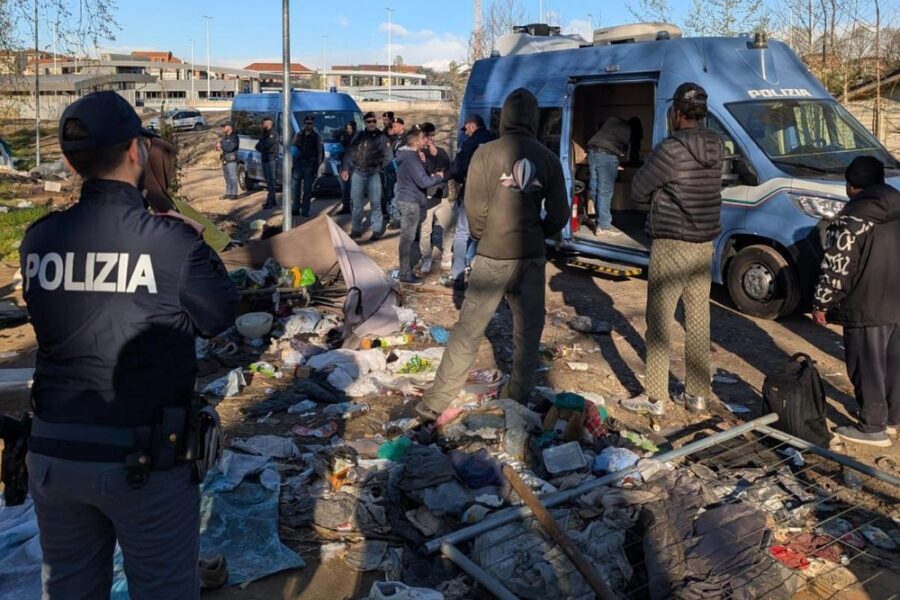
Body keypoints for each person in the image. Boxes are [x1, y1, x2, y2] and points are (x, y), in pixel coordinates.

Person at [19, 91, 238, 599]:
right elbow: (220, 315)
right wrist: (195, 240)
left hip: (53, 455)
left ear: (74, 163)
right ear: (136, 151)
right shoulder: (169, 241)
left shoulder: (40, 241)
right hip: (142, 463)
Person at [415, 88, 568, 421]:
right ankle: (516, 398)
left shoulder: (485, 153)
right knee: (527, 333)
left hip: (492, 256)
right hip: (530, 257)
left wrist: (486, 236)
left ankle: (436, 402)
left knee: (468, 329)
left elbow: (475, 207)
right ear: (534, 118)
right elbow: (559, 214)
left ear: (506, 117)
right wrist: (538, 233)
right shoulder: (547, 158)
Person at [621, 82, 724, 417]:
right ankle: (696, 395)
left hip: (671, 243)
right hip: (704, 243)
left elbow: (637, 190)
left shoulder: (671, 149)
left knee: (659, 320)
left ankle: (654, 397)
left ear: (677, 113)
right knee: (698, 317)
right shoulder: (716, 145)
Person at [812, 156, 900, 447]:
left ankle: (873, 426)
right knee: (892, 364)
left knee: (867, 364)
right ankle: (890, 419)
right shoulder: (897, 205)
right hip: (896, 299)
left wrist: (822, 303)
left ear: (851, 186)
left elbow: (838, 265)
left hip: (865, 302)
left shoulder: (853, 216)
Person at [440, 113, 496, 288]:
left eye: (467, 129)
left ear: (471, 126)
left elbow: (458, 169)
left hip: (472, 193)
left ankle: (457, 276)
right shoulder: (497, 141)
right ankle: (476, 269)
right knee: (484, 233)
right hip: (494, 194)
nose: (466, 133)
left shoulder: (469, 143)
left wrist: (455, 178)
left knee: (462, 233)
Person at [394, 127, 444, 285]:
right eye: (424, 138)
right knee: (407, 239)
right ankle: (405, 273)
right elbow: (423, 181)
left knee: (406, 238)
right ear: (416, 141)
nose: (426, 141)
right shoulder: (411, 158)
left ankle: (404, 271)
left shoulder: (406, 156)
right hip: (410, 202)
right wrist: (438, 177)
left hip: (406, 198)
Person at [341, 111, 393, 240]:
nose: (372, 124)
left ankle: (376, 230)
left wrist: (379, 167)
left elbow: (388, 156)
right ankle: (356, 229)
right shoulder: (359, 135)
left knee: (375, 203)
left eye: (374, 121)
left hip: (373, 173)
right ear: (365, 122)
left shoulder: (381, 137)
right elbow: (349, 153)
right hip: (358, 173)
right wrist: (345, 169)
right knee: (356, 203)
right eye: (369, 121)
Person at [586, 116, 632, 235]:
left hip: (592, 151)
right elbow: (622, 147)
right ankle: (604, 226)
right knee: (605, 191)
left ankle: (599, 223)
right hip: (606, 155)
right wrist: (616, 162)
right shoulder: (627, 129)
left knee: (595, 188)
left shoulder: (613, 121)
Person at [418, 121, 452, 273]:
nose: (430, 139)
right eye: (427, 136)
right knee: (426, 231)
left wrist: (435, 152)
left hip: (442, 197)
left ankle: (447, 257)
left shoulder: (441, 152)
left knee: (450, 227)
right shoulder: (418, 153)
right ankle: (426, 258)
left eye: (432, 136)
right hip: (427, 198)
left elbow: (447, 166)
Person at [291, 115, 324, 217]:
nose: (307, 125)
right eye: (306, 123)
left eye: (310, 123)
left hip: (310, 166)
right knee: (295, 189)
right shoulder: (298, 135)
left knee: (307, 190)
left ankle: (305, 210)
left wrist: (317, 167)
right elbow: (293, 149)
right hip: (298, 165)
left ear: (313, 124)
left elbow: (320, 153)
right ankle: (295, 209)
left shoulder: (316, 137)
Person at [383, 117, 406, 228]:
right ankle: (394, 217)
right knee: (392, 195)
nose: (394, 128)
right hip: (392, 172)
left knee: (397, 196)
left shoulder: (407, 139)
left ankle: (396, 219)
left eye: (396, 126)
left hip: (401, 173)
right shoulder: (394, 140)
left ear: (402, 126)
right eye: (392, 126)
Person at [255, 117, 279, 209]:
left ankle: (270, 201)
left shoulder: (273, 134)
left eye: (263, 123)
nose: (262, 125)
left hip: (271, 159)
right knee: (268, 181)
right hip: (265, 158)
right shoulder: (264, 134)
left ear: (268, 124)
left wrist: (262, 146)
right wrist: (262, 146)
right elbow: (257, 146)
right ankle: (272, 201)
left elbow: (266, 144)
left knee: (271, 181)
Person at [337, 121, 357, 214]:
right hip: (344, 164)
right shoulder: (343, 135)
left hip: (354, 164)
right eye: (347, 128)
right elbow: (335, 135)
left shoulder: (358, 136)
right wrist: (342, 130)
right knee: (344, 187)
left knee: (353, 187)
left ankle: (353, 207)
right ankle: (346, 207)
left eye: (350, 128)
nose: (349, 130)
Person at [217, 121, 239, 200]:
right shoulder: (224, 137)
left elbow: (230, 148)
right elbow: (219, 144)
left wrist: (221, 146)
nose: (223, 128)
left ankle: (234, 193)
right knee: (227, 177)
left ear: (229, 127)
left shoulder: (234, 137)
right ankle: (228, 192)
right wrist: (218, 146)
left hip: (231, 159)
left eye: (224, 126)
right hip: (225, 159)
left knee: (233, 177)